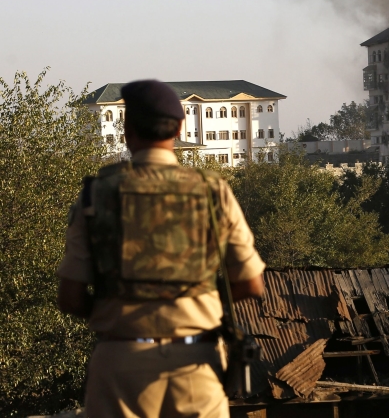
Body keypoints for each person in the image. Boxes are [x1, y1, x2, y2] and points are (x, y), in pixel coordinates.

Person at [57, 80, 266, 418]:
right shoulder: (214, 192)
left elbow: (70, 297)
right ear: (180, 127)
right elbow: (251, 284)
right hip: (196, 364)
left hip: (121, 365)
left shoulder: (97, 195)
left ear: (127, 129)